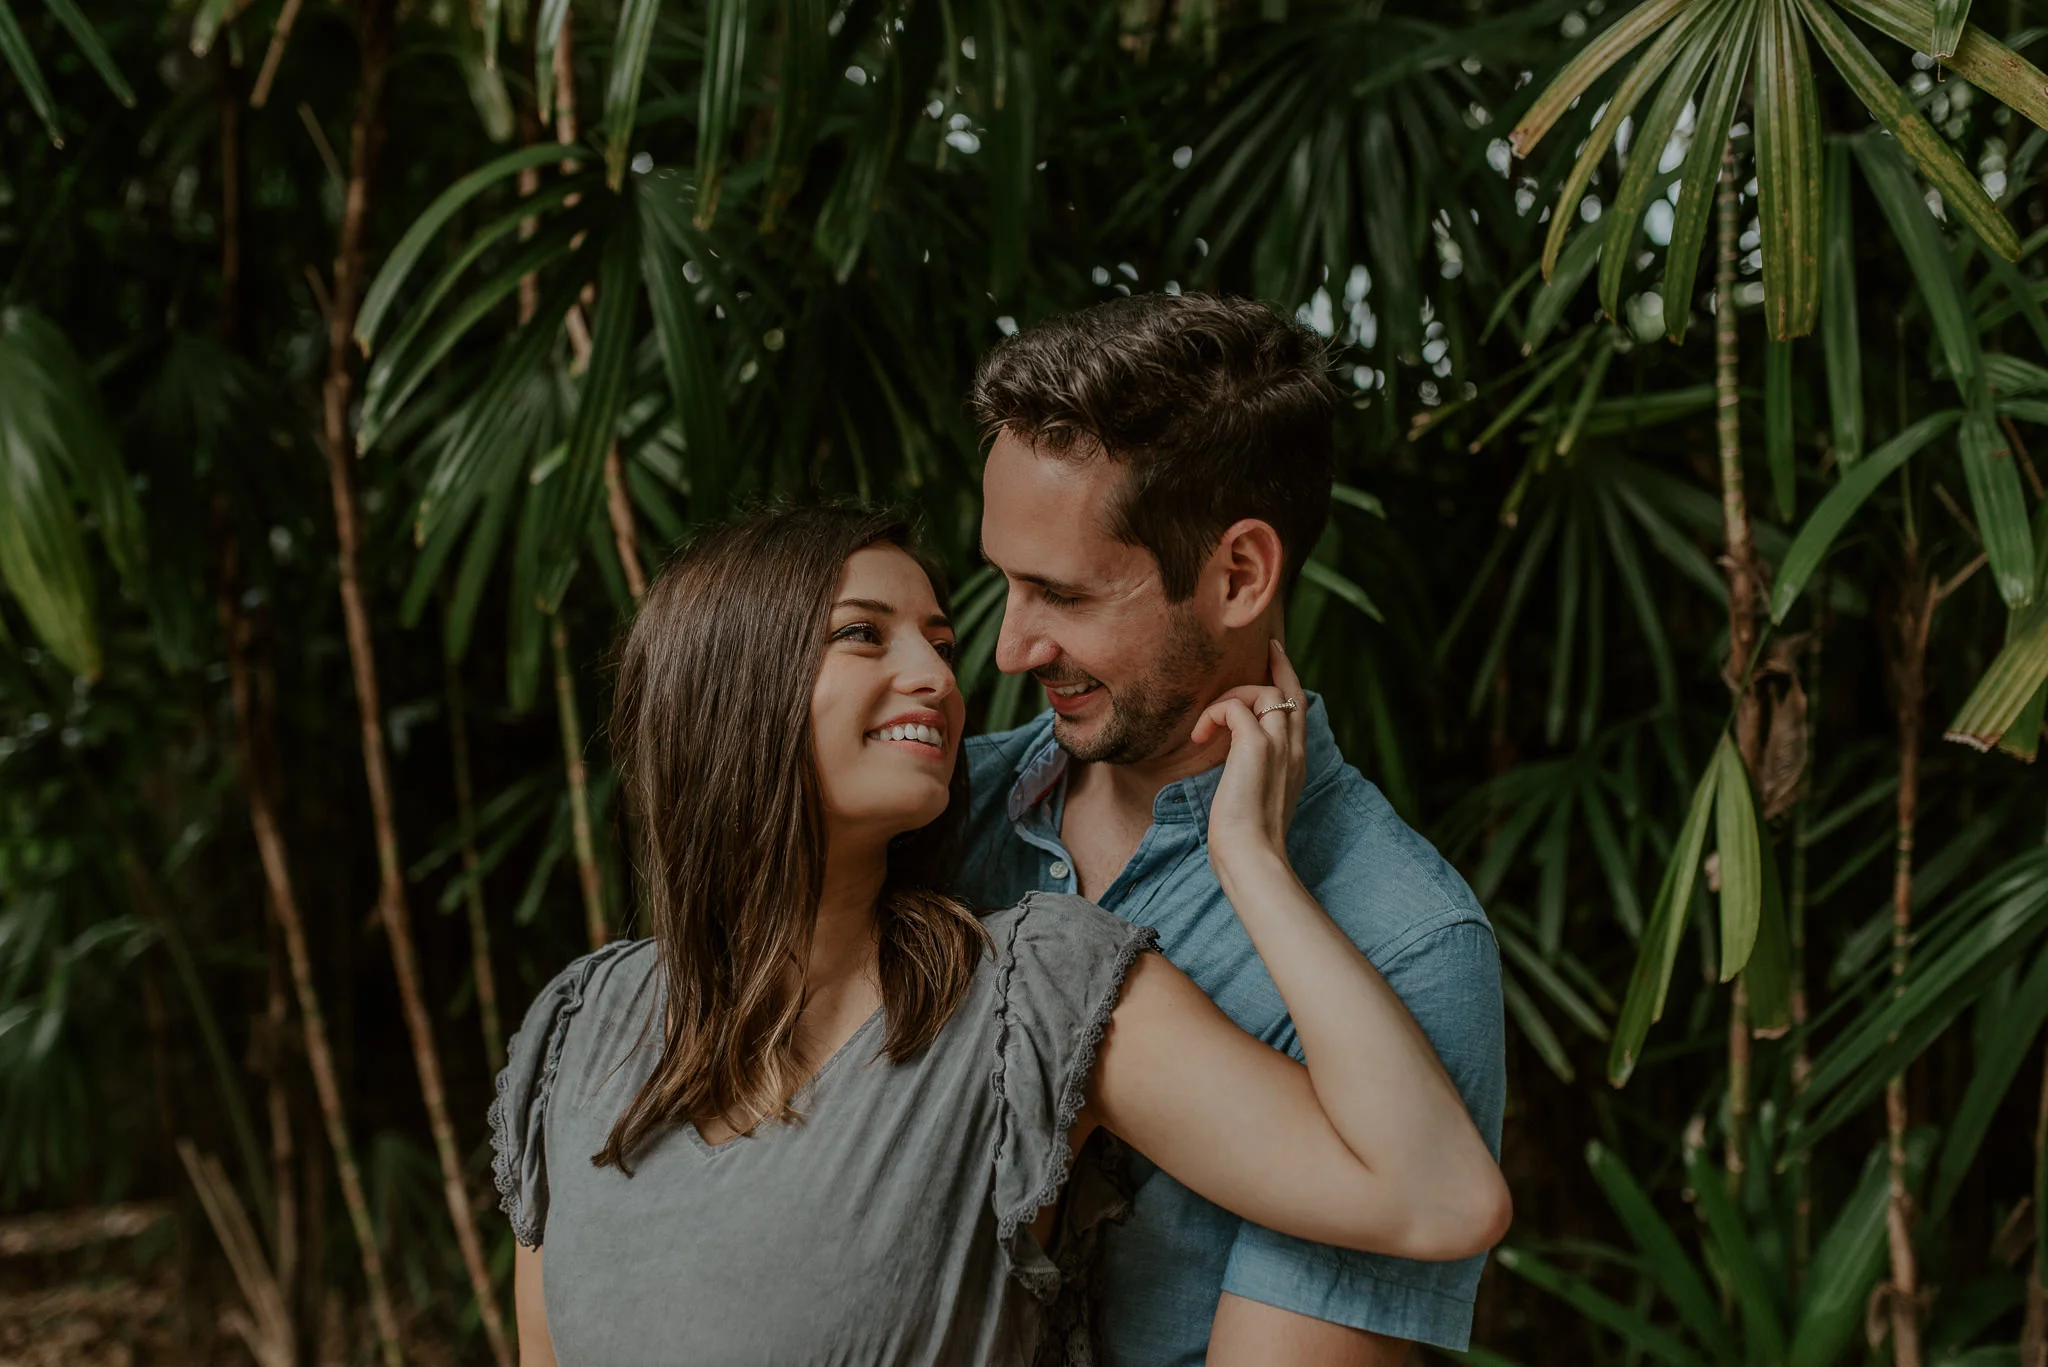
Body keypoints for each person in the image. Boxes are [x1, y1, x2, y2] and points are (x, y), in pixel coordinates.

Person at [490, 506, 1508, 1366]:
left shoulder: (1032, 991)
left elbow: (1439, 1197)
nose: (939, 675)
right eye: (862, 633)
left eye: (936, 641)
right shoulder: (580, 1028)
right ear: (725, 677)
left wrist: (1246, 856)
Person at [962, 292, 1507, 1366]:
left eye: (1059, 595)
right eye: (1003, 585)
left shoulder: (1402, 941)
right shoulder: (938, 813)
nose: (1009, 648)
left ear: (1239, 574)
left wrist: (1248, 866)